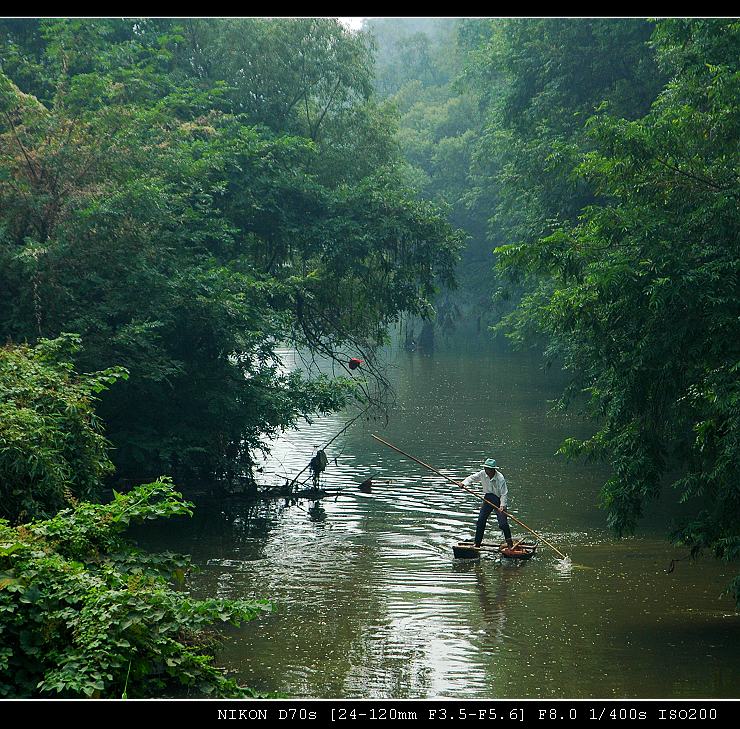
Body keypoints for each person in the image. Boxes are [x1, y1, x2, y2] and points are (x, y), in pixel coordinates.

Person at [462, 458, 513, 549]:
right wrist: (463, 483)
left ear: (493, 470)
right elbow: (471, 478)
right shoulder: (482, 473)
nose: (486, 470)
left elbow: (504, 493)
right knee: (481, 521)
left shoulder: (500, 478)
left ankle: (510, 544)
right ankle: (477, 543)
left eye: (488, 469)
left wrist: (502, 506)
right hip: (488, 499)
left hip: (498, 500)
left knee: (503, 524)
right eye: (485, 468)